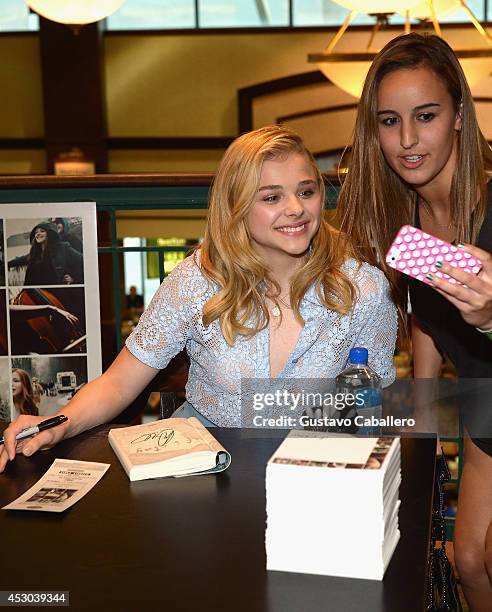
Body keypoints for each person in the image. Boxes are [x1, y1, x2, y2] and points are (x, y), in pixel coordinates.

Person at [0, 125, 396, 461]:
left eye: (306, 192)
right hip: (205, 467)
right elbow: (119, 383)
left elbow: (374, 407)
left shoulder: (362, 289)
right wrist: (58, 424)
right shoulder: (195, 281)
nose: (296, 208)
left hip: (311, 470)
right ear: (236, 205)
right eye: (272, 197)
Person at [337, 33, 492, 609]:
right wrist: (420, 420)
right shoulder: (405, 216)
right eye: (388, 121)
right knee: (470, 563)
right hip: (484, 397)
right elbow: (426, 320)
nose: (406, 140)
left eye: (425, 116)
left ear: (458, 115)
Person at [8, 221, 84, 285]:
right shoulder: (35, 253)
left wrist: (74, 278)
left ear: (49, 234)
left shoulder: (62, 248)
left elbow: (83, 261)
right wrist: (5, 264)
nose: (38, 234)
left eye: (42, 231)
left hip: (54, 294)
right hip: (35, 293)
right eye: (36, 232)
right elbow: (19, 260)